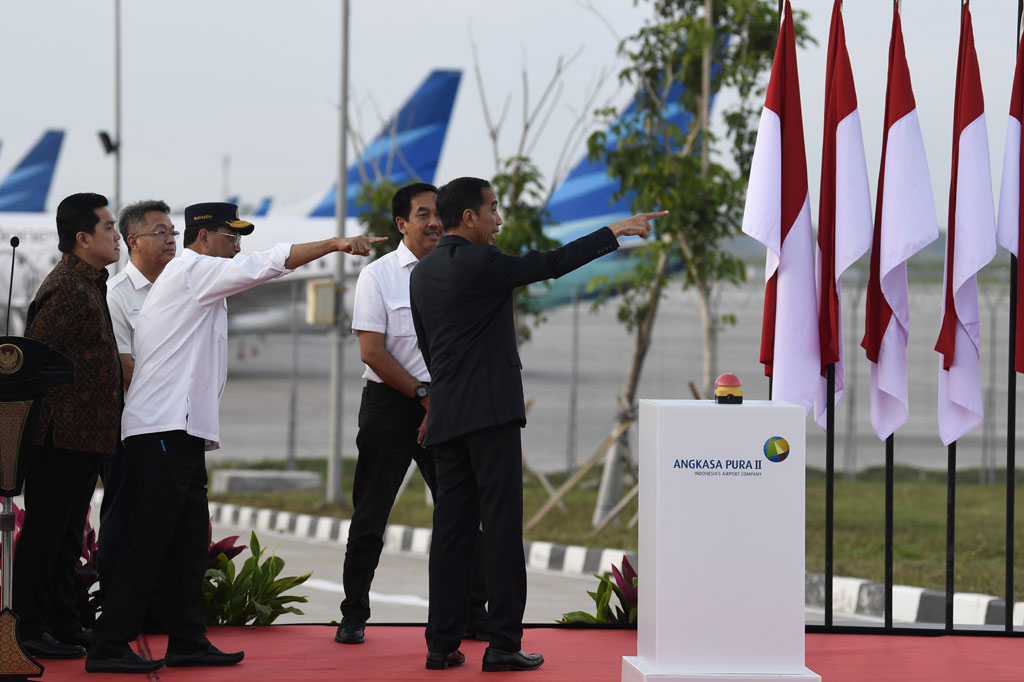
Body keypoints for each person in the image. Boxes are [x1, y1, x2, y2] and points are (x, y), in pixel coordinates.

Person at [86, 202, 385, 674]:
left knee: (186, 545)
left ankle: (187, 640)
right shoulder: (193, 271)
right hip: (160, 431)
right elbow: (266, 264)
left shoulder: (198, 278)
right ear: (204, 238)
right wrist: (333, 244)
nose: (238, 246)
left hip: (180, 433)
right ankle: (109, 644)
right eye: (231, 236)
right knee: (145, 545)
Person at [410, 177, 663, 672]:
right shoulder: (485, 264)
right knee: (502, 531)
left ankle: (441, 644)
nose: (499, 219)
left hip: (447, 416)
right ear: (469, 218)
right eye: (493, 209)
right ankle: (503, 643)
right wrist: (614, 230)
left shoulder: (422, 273)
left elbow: (427, 346)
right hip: (491, 416)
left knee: (452, 534)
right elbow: (551, 264)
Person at [336, 183, 487, 647]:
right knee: (370, 516)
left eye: (438, 213)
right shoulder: (378, 276)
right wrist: (424, 395)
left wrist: (441, 402)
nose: (435, 222)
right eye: (423, 214)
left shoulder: (461, 271)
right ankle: (353, 613)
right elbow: (371, 352)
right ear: (402, 224)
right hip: (391, 407)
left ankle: (473, 616)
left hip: (446, 406)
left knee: (462, 514)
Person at [13, 193, 123, 659]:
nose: (117, 236)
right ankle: (28, 628)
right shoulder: (66, 289)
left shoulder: (90, 284)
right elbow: (29, 362)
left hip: (84, 437)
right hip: (58, 438)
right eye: (109, 228)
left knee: (65, 536)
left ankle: (62, 620)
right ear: (82, 238)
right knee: (44, 535)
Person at [98, 199, 177, 606]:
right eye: (160, 232)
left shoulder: (178, 287)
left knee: (166, 525)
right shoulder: (116, 295)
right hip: (130, 432)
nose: (170, 240)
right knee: (123, 524)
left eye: (172, 232)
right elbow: (127, 368)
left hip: (172, 429)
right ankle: (115, 614)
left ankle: (157, 614)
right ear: (133, 241)